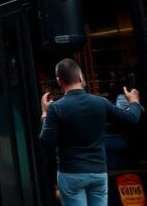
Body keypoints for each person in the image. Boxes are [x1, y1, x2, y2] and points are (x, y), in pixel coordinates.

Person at [40, 58, 142, 206]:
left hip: (71, 173)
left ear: (58, 81)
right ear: (80, 78)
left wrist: (44, 114)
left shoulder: (56, 108)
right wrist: (134, 102)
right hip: (98, 172)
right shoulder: (100, 102)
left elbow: (46, 141)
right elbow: (132, 118)